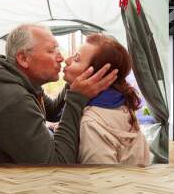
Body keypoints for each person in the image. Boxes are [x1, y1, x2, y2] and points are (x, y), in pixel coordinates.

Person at [0, 24, 117, 164]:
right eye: (52, 51)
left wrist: (73, 84)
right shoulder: (12, 98)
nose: (61, 58)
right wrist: (76, 99)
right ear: (24, 58)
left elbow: (51, 112)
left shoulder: (14, 81)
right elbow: (56, 165)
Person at [63, 33, 151, 166]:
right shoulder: (122, 107)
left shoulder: (91, 123)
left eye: (76, 59)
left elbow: (101, 180)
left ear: (96, 77)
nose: (66, 60)